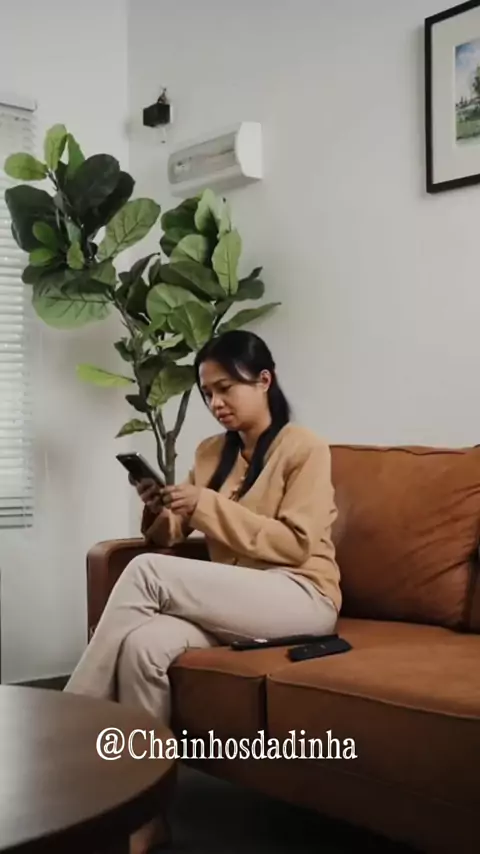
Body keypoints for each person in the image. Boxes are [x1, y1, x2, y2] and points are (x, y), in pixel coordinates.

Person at [64, 329, 341, 849]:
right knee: (144, 646)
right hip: (236, 601)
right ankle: (146, 817)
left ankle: (67, 724)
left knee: (147, 572)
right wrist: (160, 508)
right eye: (208, 392)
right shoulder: (212, 452)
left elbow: (296, 544)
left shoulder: (304, 447)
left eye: (225, 389)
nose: (216, 403)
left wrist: (205, 505)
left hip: (300, 594)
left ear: (264, 380)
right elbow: (171, 536)